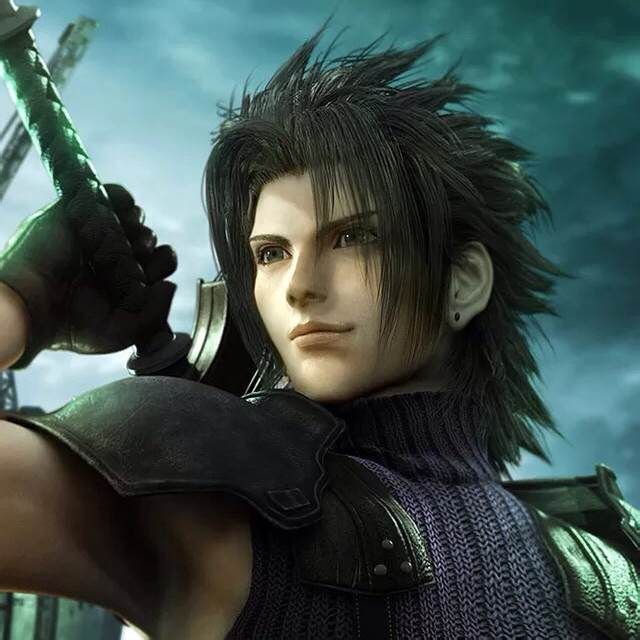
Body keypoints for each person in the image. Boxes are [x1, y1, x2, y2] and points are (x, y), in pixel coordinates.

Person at [0, 24, 637, 640]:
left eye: (354, 237)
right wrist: (19, 300)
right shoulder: (216, 506)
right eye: (271, 253)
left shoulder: (610, 562)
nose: (299, 285)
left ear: (462, 282)